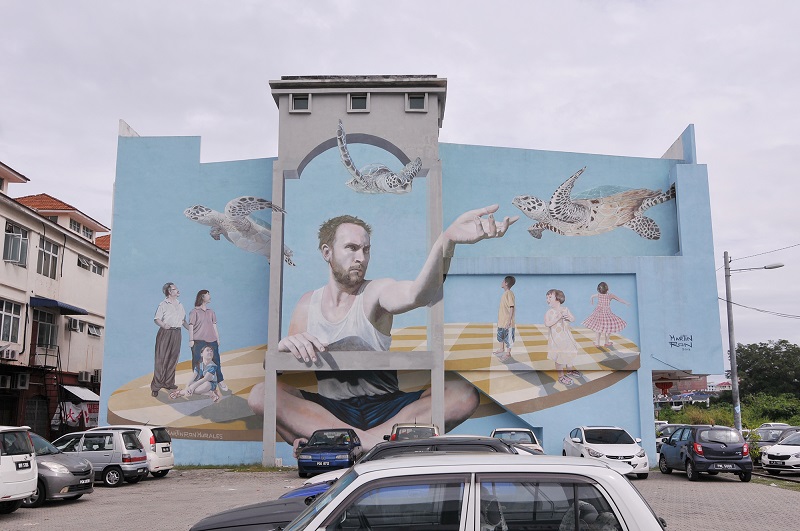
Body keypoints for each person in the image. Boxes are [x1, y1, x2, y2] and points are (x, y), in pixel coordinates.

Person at [249, 204, 518, 448]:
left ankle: (350, 444)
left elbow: (416, 294)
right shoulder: (307, 305)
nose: (361, 258)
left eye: (366, 249)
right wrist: (283, 349)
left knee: (463, 393)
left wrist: (445, 241)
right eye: (351, 248)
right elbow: (284, 377)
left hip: (387, 408)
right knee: (262, 394)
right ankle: (377, 446)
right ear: (326, 252)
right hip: (330, 410)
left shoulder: (375, 292)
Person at [151, 282, 188, 397]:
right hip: (165, 333)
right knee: (161, 360)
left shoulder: (180, 304)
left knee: (173, 359)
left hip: (177, 333)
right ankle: (156, 387)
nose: (178, 290)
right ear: (169, 292)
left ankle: (169, 383)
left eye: (177, 288)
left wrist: (192, 331)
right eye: (174, 289)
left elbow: (183, 321)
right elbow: (156, 319)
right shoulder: (163, 304)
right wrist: (163, 325)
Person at [188, 289, 228, 393]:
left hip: (212, 340)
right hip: (198, 341)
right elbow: (191, 326)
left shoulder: (211, 312)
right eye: (208, 295)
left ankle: (220, 380)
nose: (210, 296)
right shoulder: (194, 312)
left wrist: (217, 338)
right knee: (197, 362)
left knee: (216, 361)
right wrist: (191, 339)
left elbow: (214, 326)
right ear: (202, 297)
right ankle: (197, 383)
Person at [544, 288, 580, 386]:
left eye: (550, 297)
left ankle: (570, 371)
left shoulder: (565, 309)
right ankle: (561, 377)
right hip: (556, 339)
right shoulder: (549, 312)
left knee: (569, 353)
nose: (547, 299)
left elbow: (573, 318)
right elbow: (547, 324)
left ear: (558, 298)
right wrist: (557, 318)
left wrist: (569, 318)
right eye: (547, 297)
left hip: (567, 337)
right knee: (559, 357)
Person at [583, 281, 630, 348]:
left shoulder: (598, 295)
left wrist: (592, 301)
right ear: (607, 289)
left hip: (598, 313)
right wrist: (626, 303)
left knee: (598, 328)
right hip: (607, 314)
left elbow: (592, 296)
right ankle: (606, 342)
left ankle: (597, 343)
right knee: (608, 328)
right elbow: (619, 299)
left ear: (598, 290)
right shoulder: (610, 295)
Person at [493, 275, 516, 362]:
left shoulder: (509, 293)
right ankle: (501, 349)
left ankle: (508, 353)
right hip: (501, 321)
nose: (501, 282)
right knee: (500, 336)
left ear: (506, 283)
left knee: (509, 338)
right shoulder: (505, 293)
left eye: (503, 281)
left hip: (508, 322)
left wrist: (509, 321)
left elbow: (511, 307)